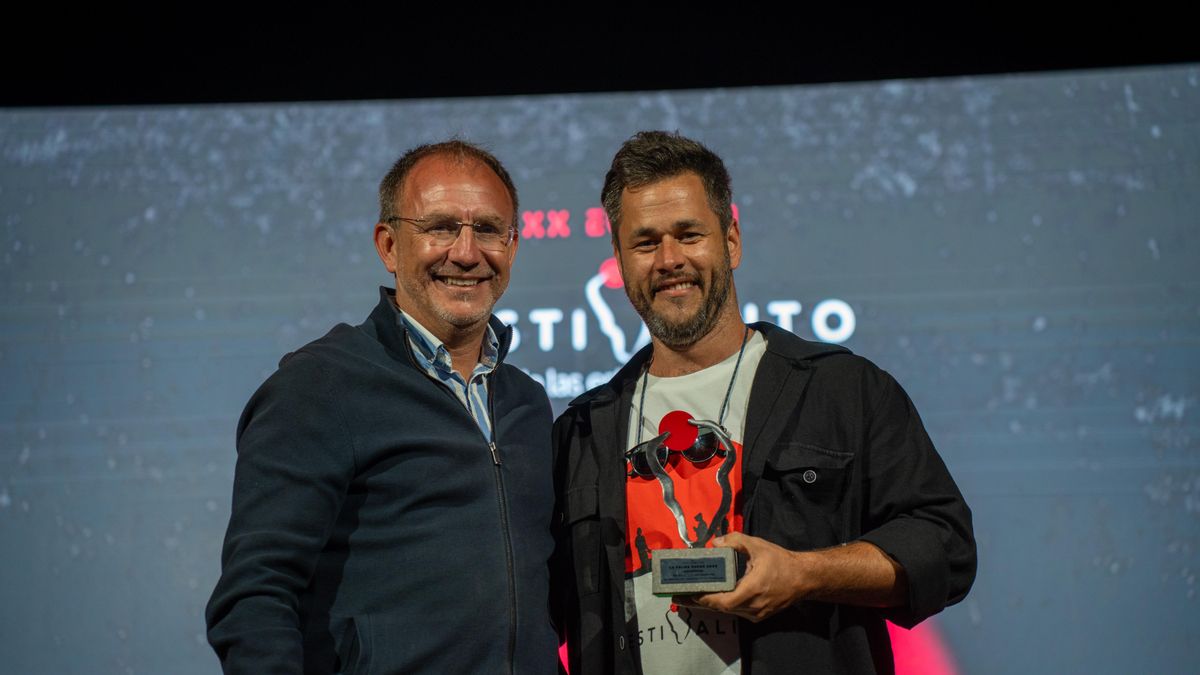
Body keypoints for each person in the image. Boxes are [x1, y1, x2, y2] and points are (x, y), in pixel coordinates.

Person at [552, 131, 976, 674]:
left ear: (731, 240)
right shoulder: (582, 430)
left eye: (688, 234)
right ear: (619, 257)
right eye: (645, 242)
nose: (668, 259)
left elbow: (946, 548)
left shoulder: (844, 390)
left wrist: (805, 573)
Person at [206, 140, 558, 674]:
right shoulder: (320, 386)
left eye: (488, 229)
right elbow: (255, 597)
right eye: (440, 227)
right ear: (389, 245)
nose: (466, 252)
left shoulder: (526, 402)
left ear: (512, 246)